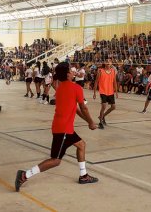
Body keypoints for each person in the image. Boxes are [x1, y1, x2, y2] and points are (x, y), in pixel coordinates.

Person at [15, 62, 98, 192]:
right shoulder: (76, 88)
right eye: (71, 70)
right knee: (55, 160)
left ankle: (83, 176)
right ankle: (24, 175)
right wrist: (91, 122)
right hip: (63, 130)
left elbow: (75, 109)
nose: (73, 72)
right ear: (67, 74)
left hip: (63, 128)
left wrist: (88, 122)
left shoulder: (60, 88)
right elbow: (83, 107)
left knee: (81, 145)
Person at [93, 59, 118, 129]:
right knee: (103, 106)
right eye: (107, 62)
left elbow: (114, 82)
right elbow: (96, 82)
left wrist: (116, 92)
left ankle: (102, 116)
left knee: (113, 107)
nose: (108, 64)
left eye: (109, 63)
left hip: (110, 91)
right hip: (103, 91)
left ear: (111, 64)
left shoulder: (113, 71)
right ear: (105, 63)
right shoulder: (100, 71)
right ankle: (100, 122)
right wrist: (94, 93)